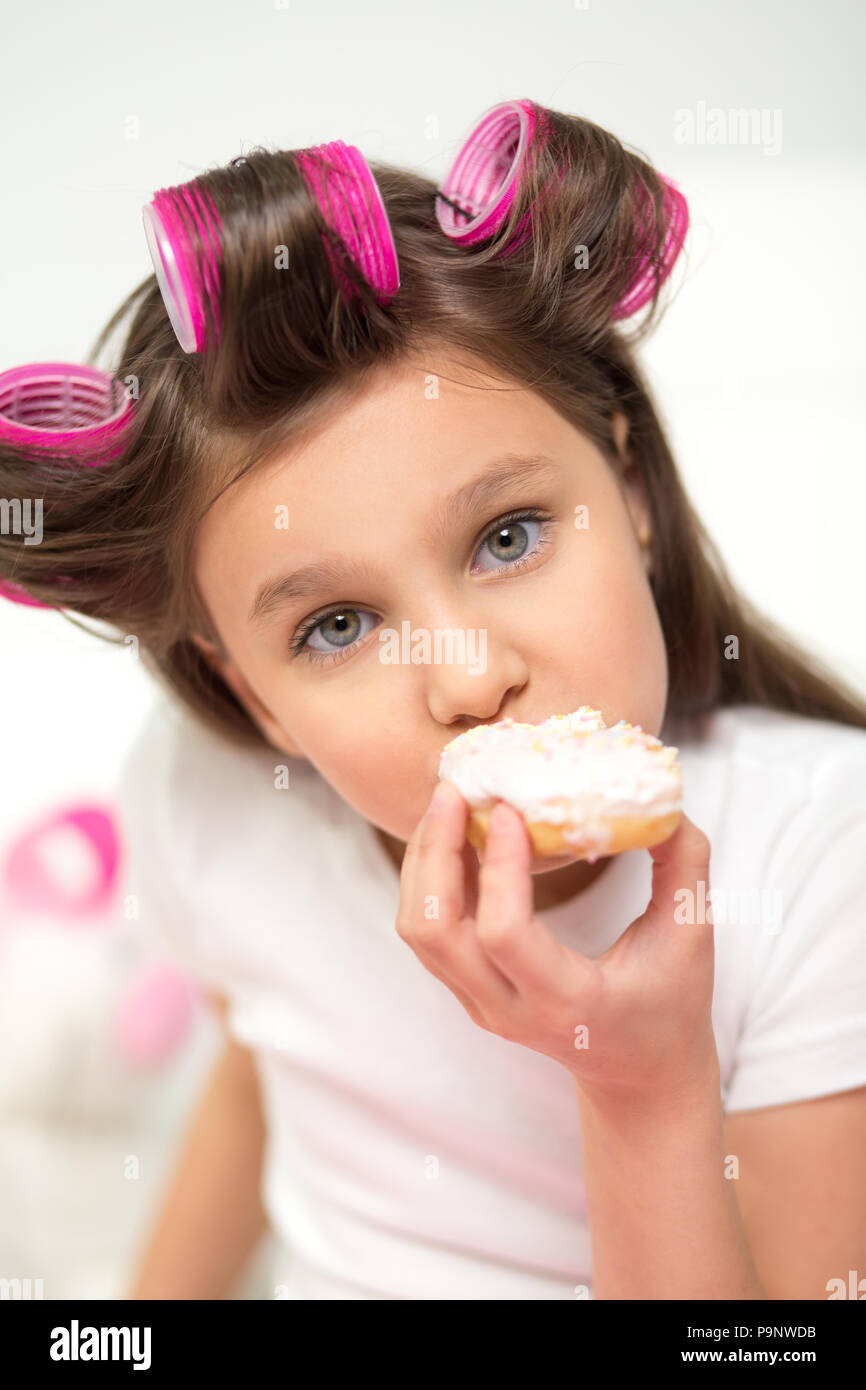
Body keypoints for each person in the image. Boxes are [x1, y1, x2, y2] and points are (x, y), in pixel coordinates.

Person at [2, 100, 864, 1301]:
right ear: (249, 696)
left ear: (630, 494)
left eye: (507, 536)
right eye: (337, 627)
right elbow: (260, 1084)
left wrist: (641, 1084)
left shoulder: (821, 851)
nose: (468, 677)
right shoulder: (212, 797)